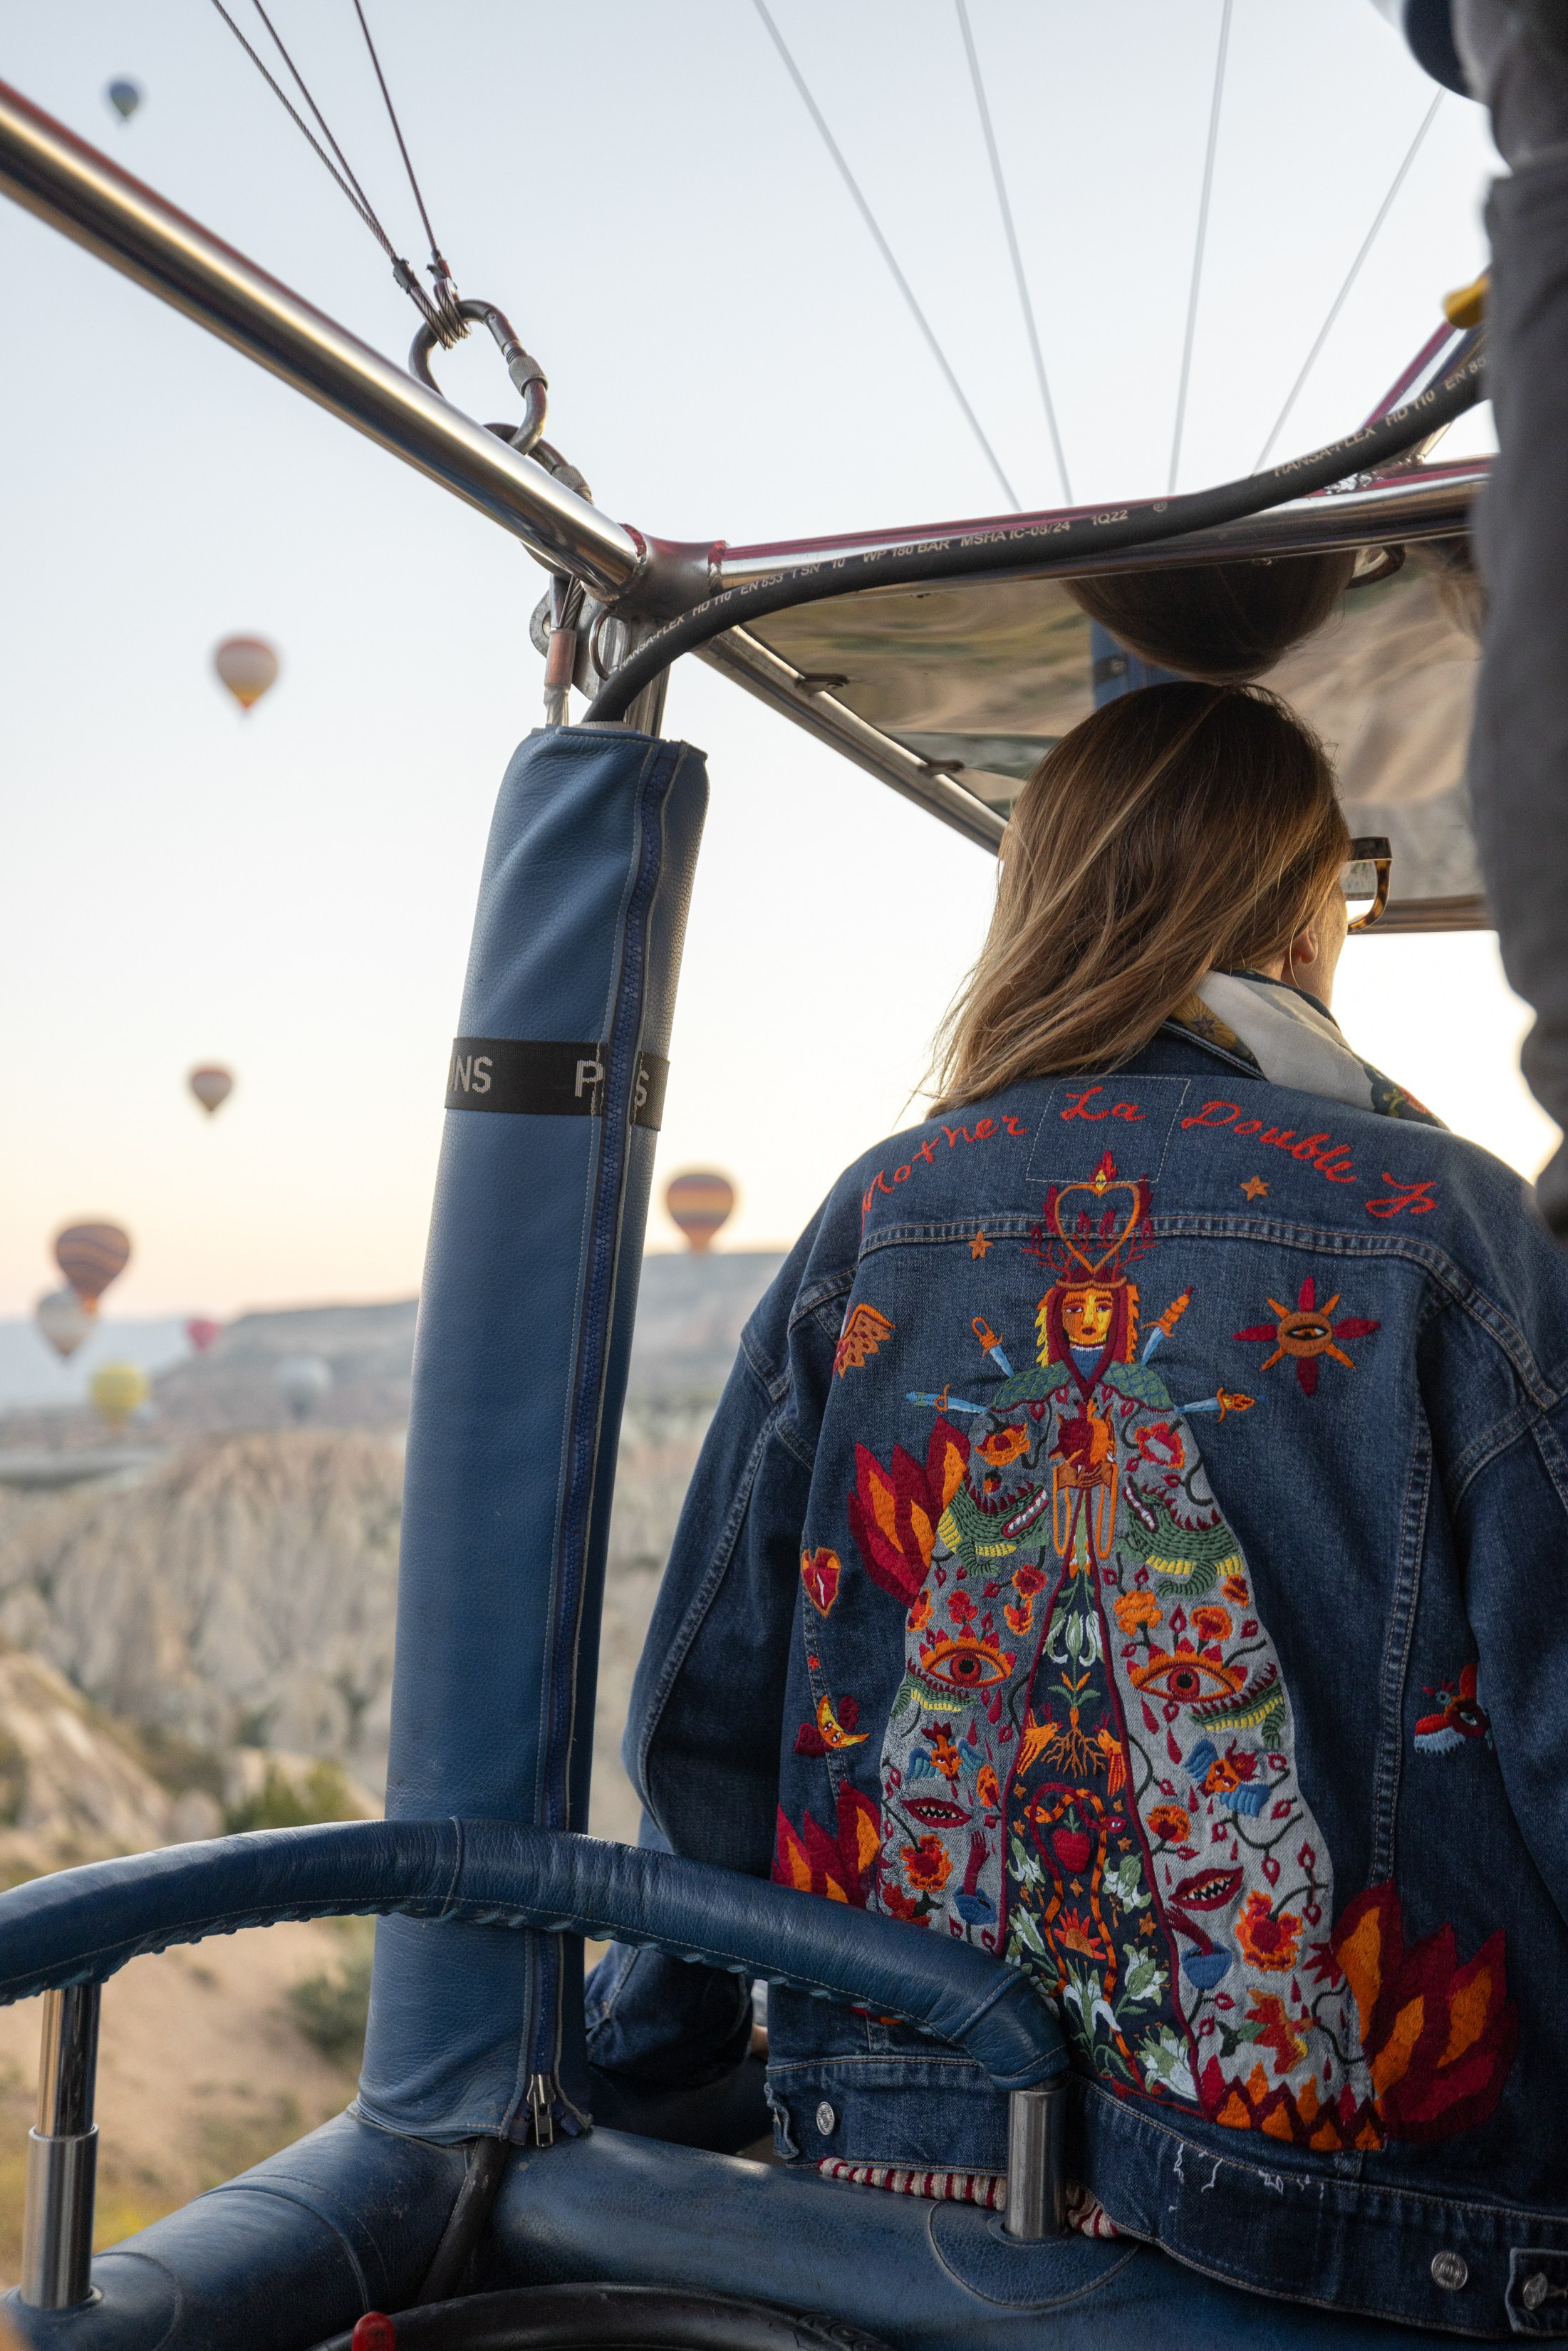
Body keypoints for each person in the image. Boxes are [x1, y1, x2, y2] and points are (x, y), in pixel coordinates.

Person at [589, 683, 1568, 2339]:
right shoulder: (1448, 1229)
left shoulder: (880, 1218)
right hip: (1389, 2239)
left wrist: (657, 2057)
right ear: (1305, 907)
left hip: (904, 2186)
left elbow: (712, 1709)